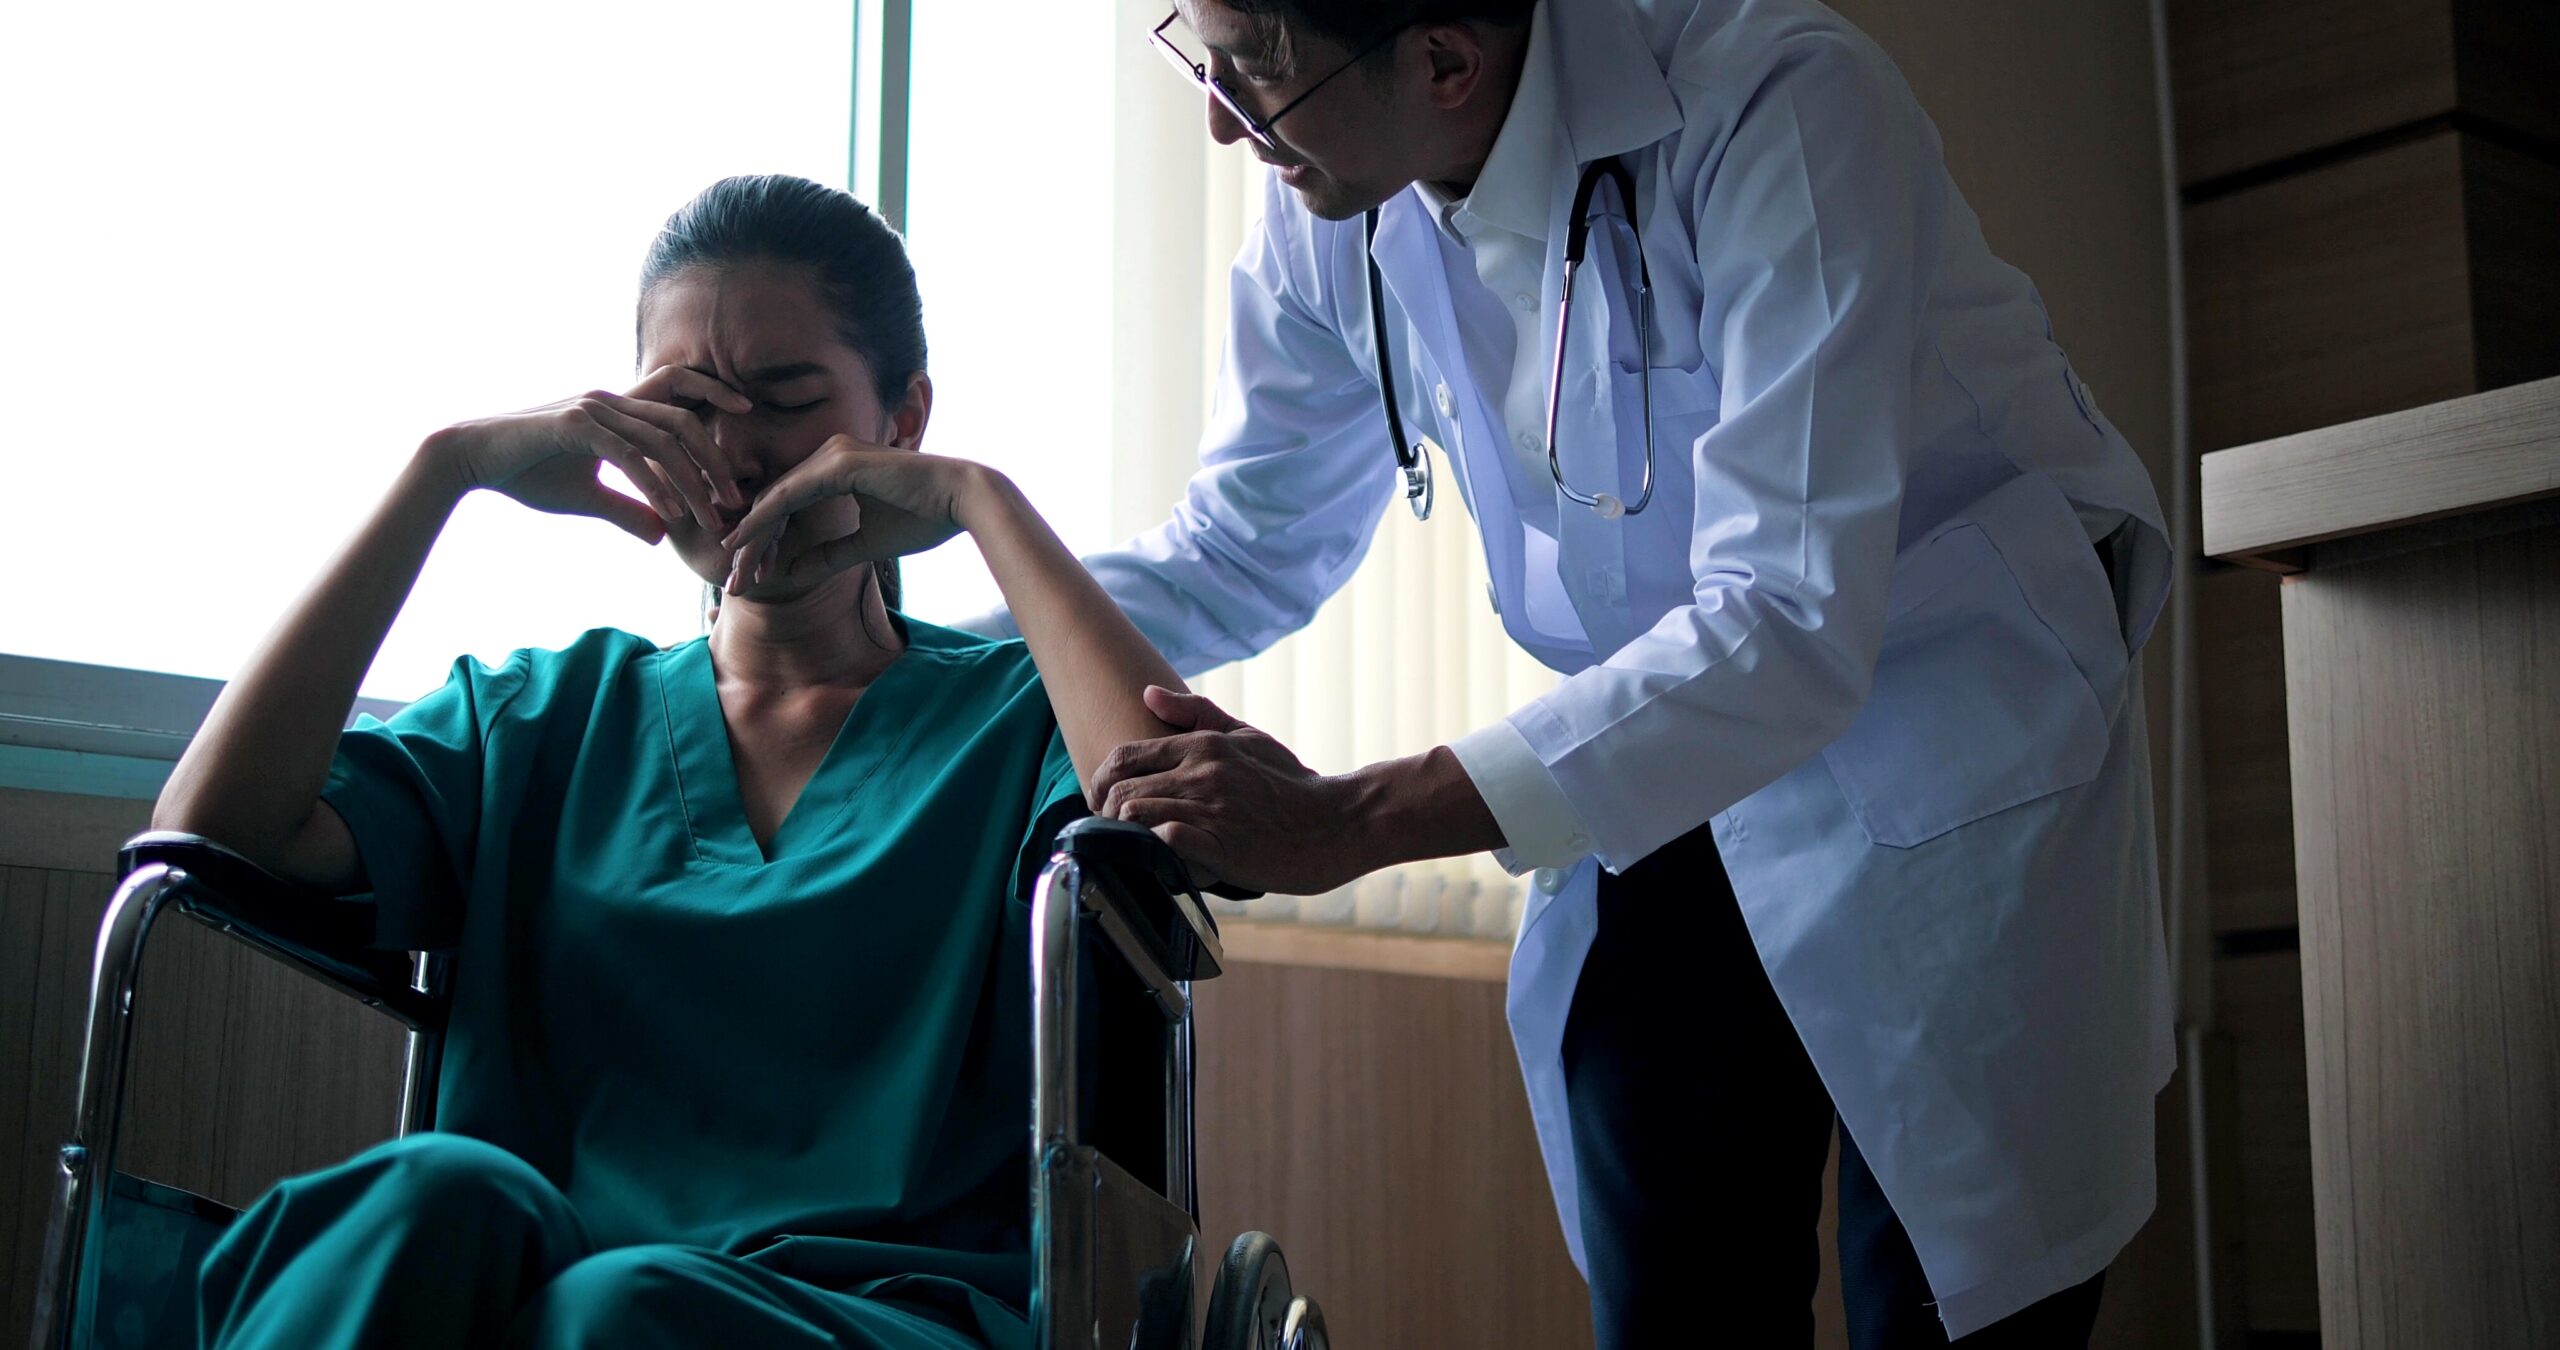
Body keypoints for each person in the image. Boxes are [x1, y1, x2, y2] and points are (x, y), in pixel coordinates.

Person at [968, 1, 2177, 1345]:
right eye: (1205, 51)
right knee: (1675, 1300)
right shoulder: (1336, 192)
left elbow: (1785, 615)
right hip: (1656, 754)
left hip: (1944, 741)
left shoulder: (1778, 106)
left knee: (1955, 1306)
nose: (1218, 114)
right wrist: (921, 628)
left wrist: (1350, 819)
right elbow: (1242, 544)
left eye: (1255, 69)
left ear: (1443, 58)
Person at [152, 174, 1187, 1348]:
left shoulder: (1015, 721)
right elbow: (211, 830)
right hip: (535, 1291)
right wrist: (443, 472)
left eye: (786, 401)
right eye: (686, 408)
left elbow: (1186, 821)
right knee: (423, 1200)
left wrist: (981, 503)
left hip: (877, 1312)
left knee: (622, 1309)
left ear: (903, 417)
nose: (732, 454)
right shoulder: (541, 718)